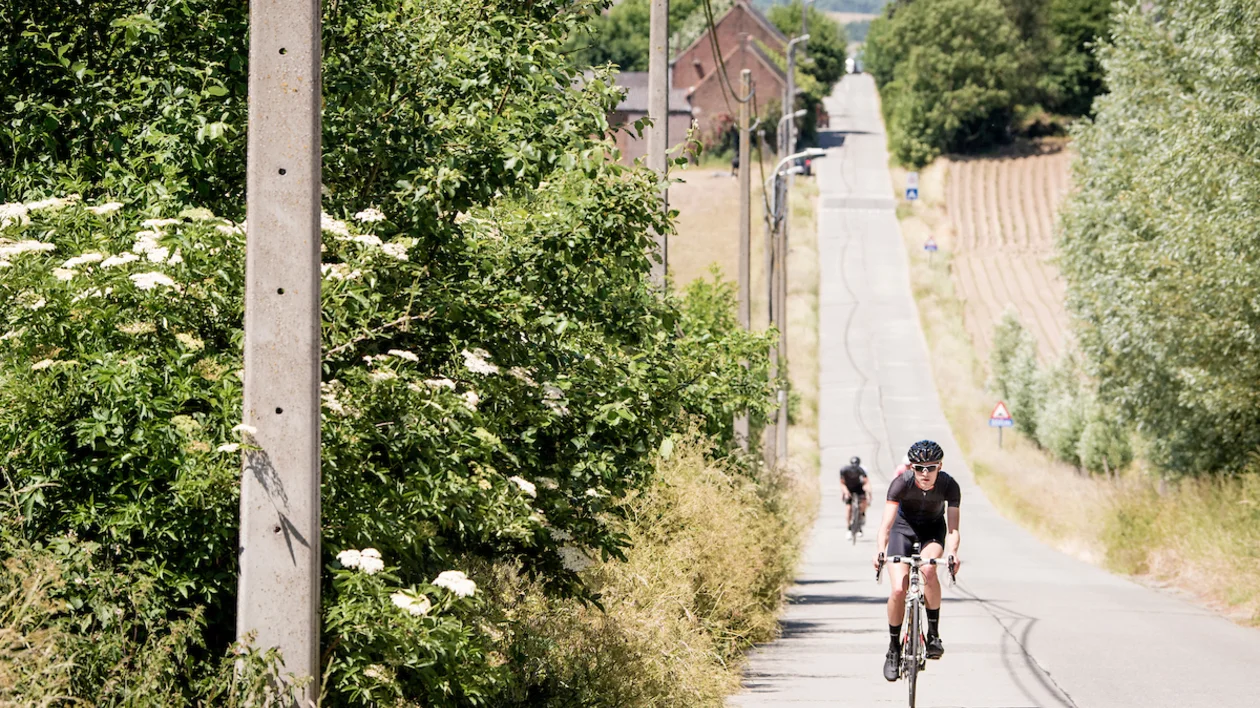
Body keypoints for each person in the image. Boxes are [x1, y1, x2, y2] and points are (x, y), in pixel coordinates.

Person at [873, 440, 962, 682]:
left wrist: (952, 552)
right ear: (912, 467)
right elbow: (886, 525)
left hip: (932, 531)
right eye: (919, 468)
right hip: (902, 530)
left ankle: (933, 635)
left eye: (930, 468)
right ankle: (893, 649)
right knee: (898, 589)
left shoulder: (949, 485)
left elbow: (953, 528)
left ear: (939, 467)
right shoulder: (901, 483)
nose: (925, 473)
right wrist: (880, 550)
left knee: (929, 570)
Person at [839, 456, 871, 540]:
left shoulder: (861, 470)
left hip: (858, 488)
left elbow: (866, 482)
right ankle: (849, 528)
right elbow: (842, 483)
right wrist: (845, 492)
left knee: (864, 502)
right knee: (849, 508)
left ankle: (861, 517)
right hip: (849, 488)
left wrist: (868, 493)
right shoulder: (844, 470)